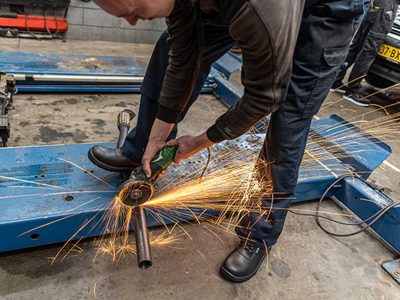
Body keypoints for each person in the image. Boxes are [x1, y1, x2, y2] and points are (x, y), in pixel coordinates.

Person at [89, 0, 364, 283]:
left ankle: (259, 234)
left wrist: (200, 141)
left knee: (288, 118)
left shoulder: (257, 8)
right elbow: (186, 58)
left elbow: (264, 97)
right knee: (169, 47)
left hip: (323, 13)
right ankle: (142, 153)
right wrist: (158, 137)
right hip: (249, 10)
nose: (132, 22)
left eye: (131, 12)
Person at [333, 0, 399, 106]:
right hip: (387, 7)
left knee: (357, 44)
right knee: (368, 51)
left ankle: (336, 79)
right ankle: (353, 90)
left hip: (376, 4)